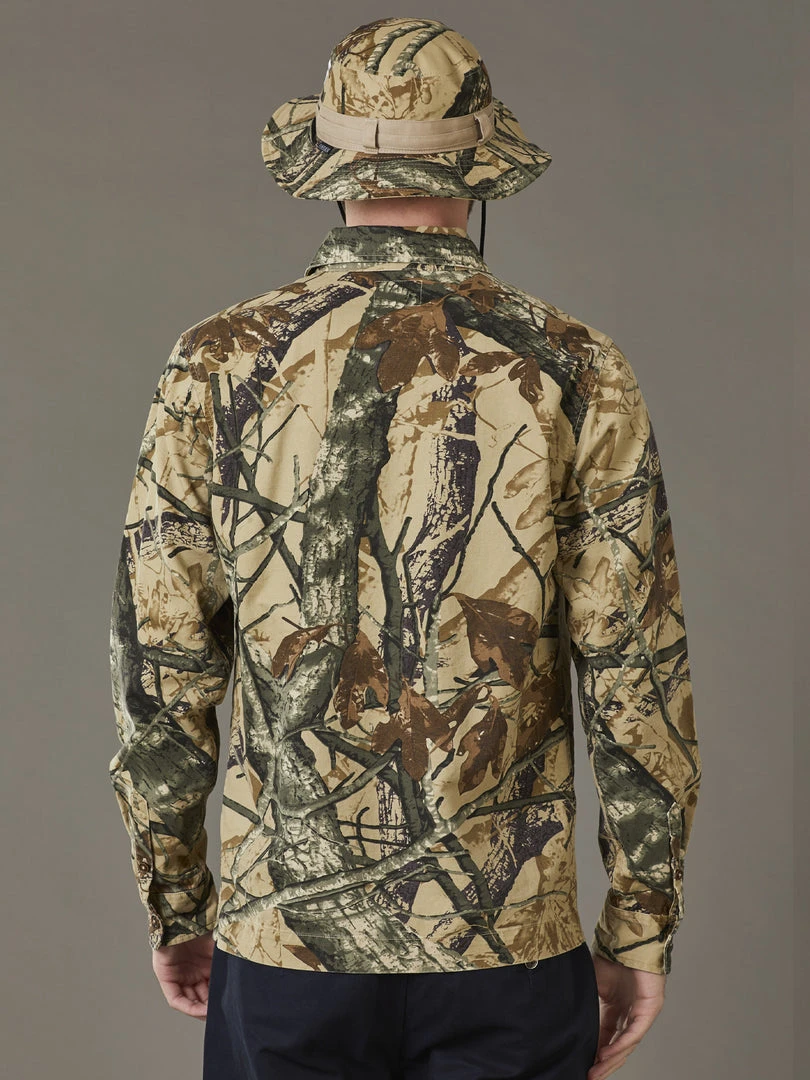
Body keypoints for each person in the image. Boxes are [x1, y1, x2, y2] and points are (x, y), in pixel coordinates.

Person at [107, 16, 701, 1080]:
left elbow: (162, 666)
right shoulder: (573, 368)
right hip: (507, 939)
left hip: (285, 935)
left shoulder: (217, 363)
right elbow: (635, 673)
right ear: (477, 174)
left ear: (330, 171)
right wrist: (639, 929)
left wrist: (179, 900)